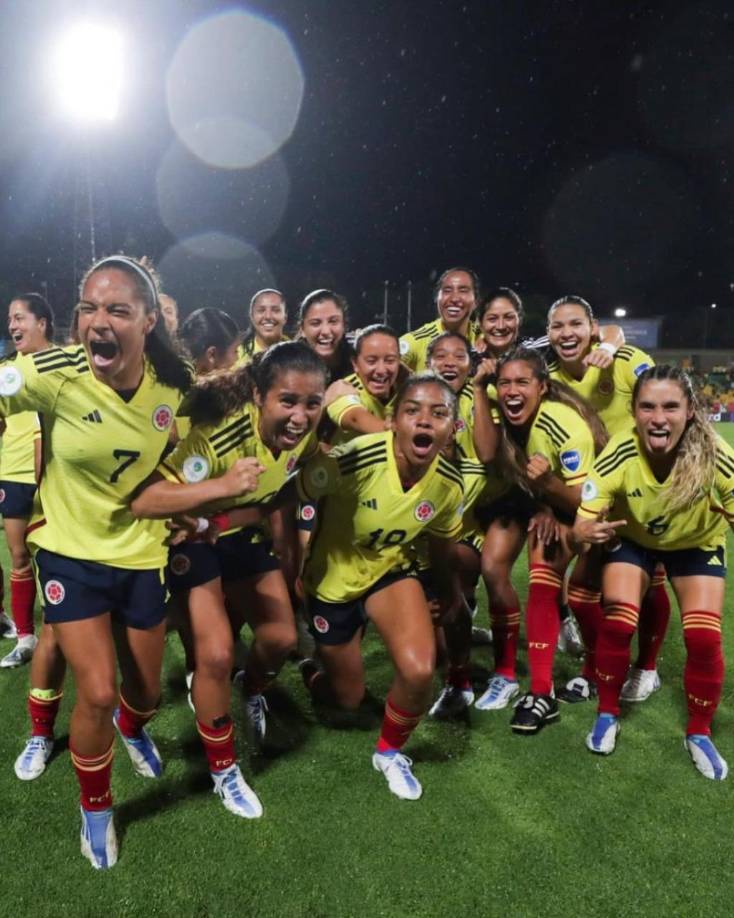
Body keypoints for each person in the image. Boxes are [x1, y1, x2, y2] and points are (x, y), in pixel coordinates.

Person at [0, 255, 192, 869]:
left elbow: (177, 453)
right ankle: (97, 812)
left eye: (116, 309)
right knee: (100, 692)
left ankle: (134, 731)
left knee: (142, 695)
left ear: (148, 320)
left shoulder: (172, 385)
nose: (97, 321)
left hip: (140, 554)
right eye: (88, 307)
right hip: (69, 554)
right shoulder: (53, 371)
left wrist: (185, 503)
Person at [131, 342, 326, 816]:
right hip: (192, 543)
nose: (300, 416)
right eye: (287, 401)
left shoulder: (305, 435)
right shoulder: (213, 440)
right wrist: (209, 508)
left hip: (234, 535)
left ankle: (253, 691)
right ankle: (224, 770)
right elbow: (154, 499)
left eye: (311, 403)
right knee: (215, 654)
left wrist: (226, 520)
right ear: (258, 395)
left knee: (280, 637)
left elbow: (268, 496)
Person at [293, 375, 464, 800]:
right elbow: (290, 496)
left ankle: (389, 752)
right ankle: (313, 669)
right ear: (393, 420)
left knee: (420, 669)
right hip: (331, 584)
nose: (424, 422)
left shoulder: (447, 484)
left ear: (452, 428)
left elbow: (442, 547)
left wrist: (446, 593)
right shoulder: (353, 459)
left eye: (438, 413)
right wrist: (292, 563)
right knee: (348, 699)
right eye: (413, 411)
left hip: (390, 572)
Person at [574, 365, 733, 780]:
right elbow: (583, 520)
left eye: (669, 406)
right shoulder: (621, 452)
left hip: (696, 546)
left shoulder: (715, 454)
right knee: (619, 623)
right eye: (647, 406)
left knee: (703, 636)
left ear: (690, 411)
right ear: (633, 410)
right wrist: (588, 528)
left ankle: (698, 732)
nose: (658, 418)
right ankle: (607, 712)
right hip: (635, 540)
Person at [474, 348, 606, 732]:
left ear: (543, 387)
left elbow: (586, 501)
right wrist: (544, 505)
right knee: (542, 582)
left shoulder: (562, 424)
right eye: (505, 383)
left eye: (522, 382)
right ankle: (542, 693)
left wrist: (547, 487)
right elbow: (487, 453)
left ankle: (596, 669)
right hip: (559, 507)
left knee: (584, 597)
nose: (512, 391)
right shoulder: (514, 418)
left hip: (601, 512)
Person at [546, 294, 670, 703]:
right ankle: (597, 666)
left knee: (650, 585)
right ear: (548, 333)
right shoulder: (549, 377)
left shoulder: (625, 358)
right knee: (583, 592)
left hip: (643, 494)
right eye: (557, 326)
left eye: (575, 324)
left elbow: (664, 403)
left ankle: (646, 668)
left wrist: (612, 344)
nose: (567, 333)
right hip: (595, 496)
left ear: (593, 327)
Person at [0, 294, 53, 667]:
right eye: (10, 319)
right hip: (16, 476)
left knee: (60, 558)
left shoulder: (65, 365)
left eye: (20, 318)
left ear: (42, 323)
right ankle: (25, 637)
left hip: (61, 479)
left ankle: (65, 627)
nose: (13, 325)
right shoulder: (6, 372)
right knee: (20, 557)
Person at [324, 324, 402, 444]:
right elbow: (355, 418)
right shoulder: (344, 388)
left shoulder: (406, 391)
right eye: (371, 361)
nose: (381, 370)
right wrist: (405, 436)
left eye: (390, 360)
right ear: (355, 363)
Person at [399, 268, 481, 372]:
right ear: (436, 298)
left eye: (463, 291)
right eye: (447, 290)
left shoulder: (485, 338)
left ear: (476, 301)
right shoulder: (418, 340)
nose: (454, 299)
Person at [298, 289, 353, 382]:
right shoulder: (287, 367)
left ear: (344, 325)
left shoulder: (359, 362)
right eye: (316, 323)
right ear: (302, 329)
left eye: (333, 321)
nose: (326, 331)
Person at [238, 289, 288, 365]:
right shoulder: (237, 357)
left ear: (285, 317)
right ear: (251, 316)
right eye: (261, 310)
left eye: (275, 310)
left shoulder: (298, 351)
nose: (268, 316)